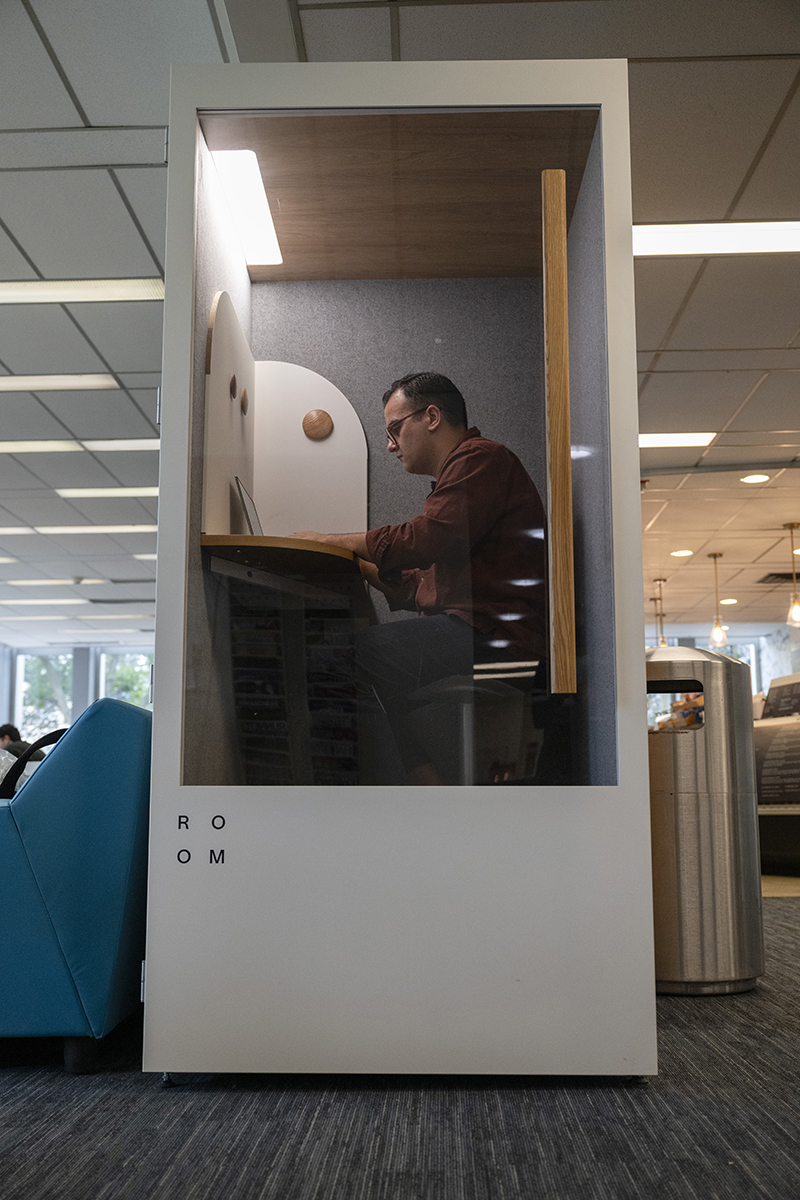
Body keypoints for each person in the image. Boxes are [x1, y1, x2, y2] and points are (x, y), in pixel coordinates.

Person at [295, 372, 549, 784]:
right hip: (487, 635)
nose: (391, 445)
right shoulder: (463, 476)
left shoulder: (481, 459)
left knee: (336, 656)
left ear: (431, 416)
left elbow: (424, 540)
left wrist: (329, 539)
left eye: (395, 429)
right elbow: (420, 586)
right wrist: (356, 561)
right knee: (370, 663)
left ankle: (404, 782)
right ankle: (417, 772)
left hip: (497, 641)